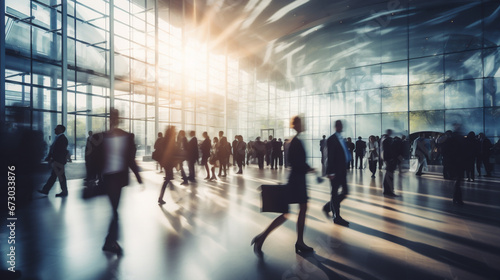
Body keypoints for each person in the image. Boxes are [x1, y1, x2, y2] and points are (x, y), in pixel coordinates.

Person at [251, 116, 314, 257]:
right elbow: (296, 163)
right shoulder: (296, 141)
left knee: (289, 212)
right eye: (301, 123)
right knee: (297, 209)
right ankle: (297, 242)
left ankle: (263, 238)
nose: (304, 124)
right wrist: (308, 169)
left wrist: (306, 168)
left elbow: (295, 162)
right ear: (296, 125)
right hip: (298, 181)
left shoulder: (293, 141)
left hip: (296, 180)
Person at [99, 109, 142, 254]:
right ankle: (110, 242)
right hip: (111, 178)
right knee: (115, 210)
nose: (113, 119)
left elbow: (130, 159)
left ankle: (110, 241)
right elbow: (97, 159)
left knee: (115, 210)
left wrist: (139, 177)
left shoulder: (125, 136)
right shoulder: (105, 137)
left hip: (116, 178)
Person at [322, 120, 351, 226]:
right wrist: (330, 172)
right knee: (334, 193)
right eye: (339, 125)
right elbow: (330, 156)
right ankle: (336, 217)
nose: (341, 127)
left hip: (342, 170)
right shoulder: (331, 139)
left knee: (345, 192)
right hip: (335, 172)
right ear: (336, 127)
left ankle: (328, 207)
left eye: (341, 125)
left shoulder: (341, 139)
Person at [38, 125, 69, 197]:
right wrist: (49, 157)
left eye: (57, 128)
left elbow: (60, 151)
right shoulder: (58, 138)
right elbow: (53, 149)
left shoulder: (63, 139)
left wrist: (52, 159)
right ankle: (46, 190)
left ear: (61, 130)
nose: (55, 129)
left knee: (58, 176)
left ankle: (62, 191)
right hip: (58, 161)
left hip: (59, 161)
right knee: (55, 176)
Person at [157, 126, 176, 205]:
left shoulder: (165, 140)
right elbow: (171, 152)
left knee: (168, 179)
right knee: (167, 179)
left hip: (166, 163)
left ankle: (161, 198)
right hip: (168, 163)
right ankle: (160, 198)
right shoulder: (170, 140)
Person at [382, 129, 398, 196]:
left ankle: (387, 190)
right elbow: (389, 151)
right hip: (389, 159)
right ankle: (389, 191)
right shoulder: (388, 140)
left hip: (388, 159)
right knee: (390, 175)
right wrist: (390, 159)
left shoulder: (385, 140)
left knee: (388, 175)